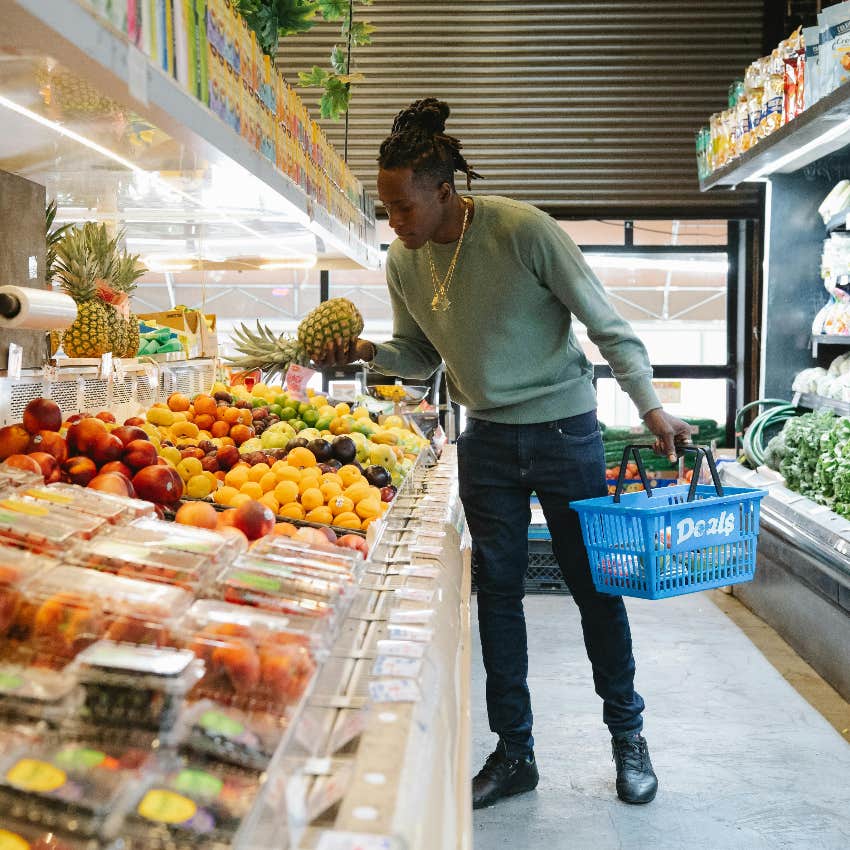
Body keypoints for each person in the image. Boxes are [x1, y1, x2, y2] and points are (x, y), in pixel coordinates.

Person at [316, 98, 694, 809]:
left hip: (563, 432)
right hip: (484, 438)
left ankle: (628, 736)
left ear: (443, 192)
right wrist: (367, 351)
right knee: (497, 599)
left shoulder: (523, 231)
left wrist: (650, 407)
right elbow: (420, 355)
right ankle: (515, 751)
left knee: (595, 591)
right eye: (385, 207)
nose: (392, 221)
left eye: (401, 206)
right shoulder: (405, 259)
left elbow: (607, 325)